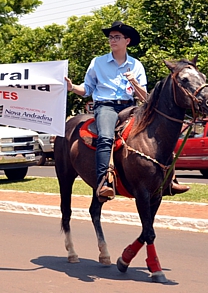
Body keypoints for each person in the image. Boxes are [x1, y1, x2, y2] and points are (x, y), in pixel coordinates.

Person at [66, 21, 189, 200]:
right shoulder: (98, 62)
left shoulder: (136, 65)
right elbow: (87, 90)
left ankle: (169, 179)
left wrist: (135, 83)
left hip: (130, 106)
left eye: (117, 37)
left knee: (158, 134)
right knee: (106, 137)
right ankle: (104, 182)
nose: (112, 40)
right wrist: (72, 87)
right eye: (110, 37)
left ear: (127, 41)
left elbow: (145, 97)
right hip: (105, 106)